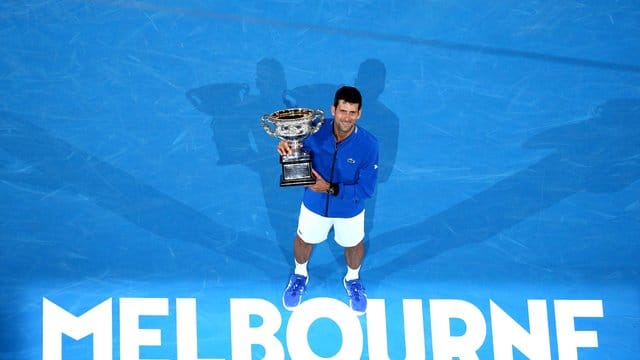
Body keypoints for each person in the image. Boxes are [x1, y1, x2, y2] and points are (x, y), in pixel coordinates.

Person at [276, 86, 379, 315]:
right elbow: (296, 153)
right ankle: (300, 274)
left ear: (360, 113)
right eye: (343, 111)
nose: (347, 117)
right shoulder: (312, 130)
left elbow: (366, 189)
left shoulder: (369, 145)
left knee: (353, 246)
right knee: (303, 241)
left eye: (352, 112)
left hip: (348, 210)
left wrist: (329, 188)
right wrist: (286, 148)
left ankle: (352, 279)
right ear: (334, 109)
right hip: (314, 204)